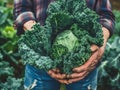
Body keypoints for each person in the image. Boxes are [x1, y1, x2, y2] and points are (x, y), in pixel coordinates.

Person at [14, 0, 115, 90]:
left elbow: (106, 15)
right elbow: (21, 8)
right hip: (40, 60)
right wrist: (40, 37)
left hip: (86, 65)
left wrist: (100, 45)